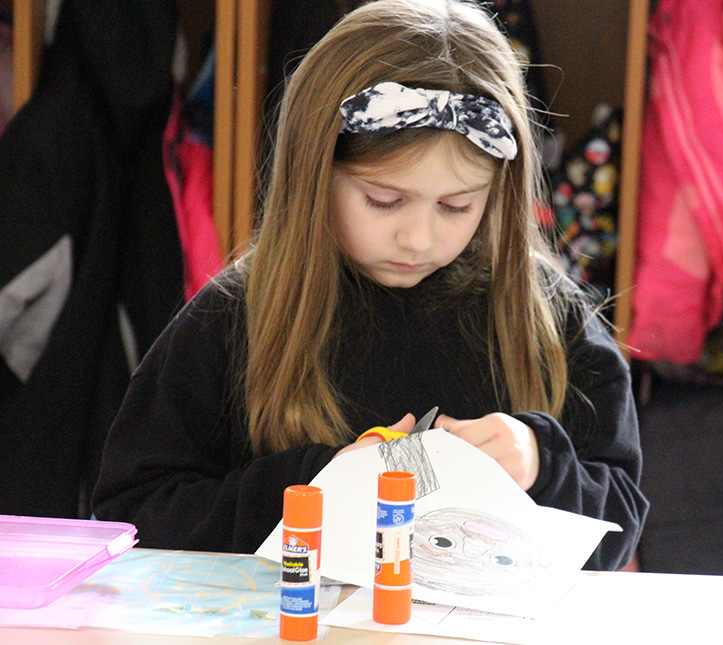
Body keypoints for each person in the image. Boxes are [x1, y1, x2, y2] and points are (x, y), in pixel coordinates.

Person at [92, 0, 648, 570]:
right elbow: (132, 514)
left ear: (498, 192)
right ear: (316, 172)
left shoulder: (547, 318)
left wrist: (541, 464)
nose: (419, 238)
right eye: (385, 200)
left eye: (457, 206)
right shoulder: (234, 318)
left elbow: (622, 525)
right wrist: (314, 491)